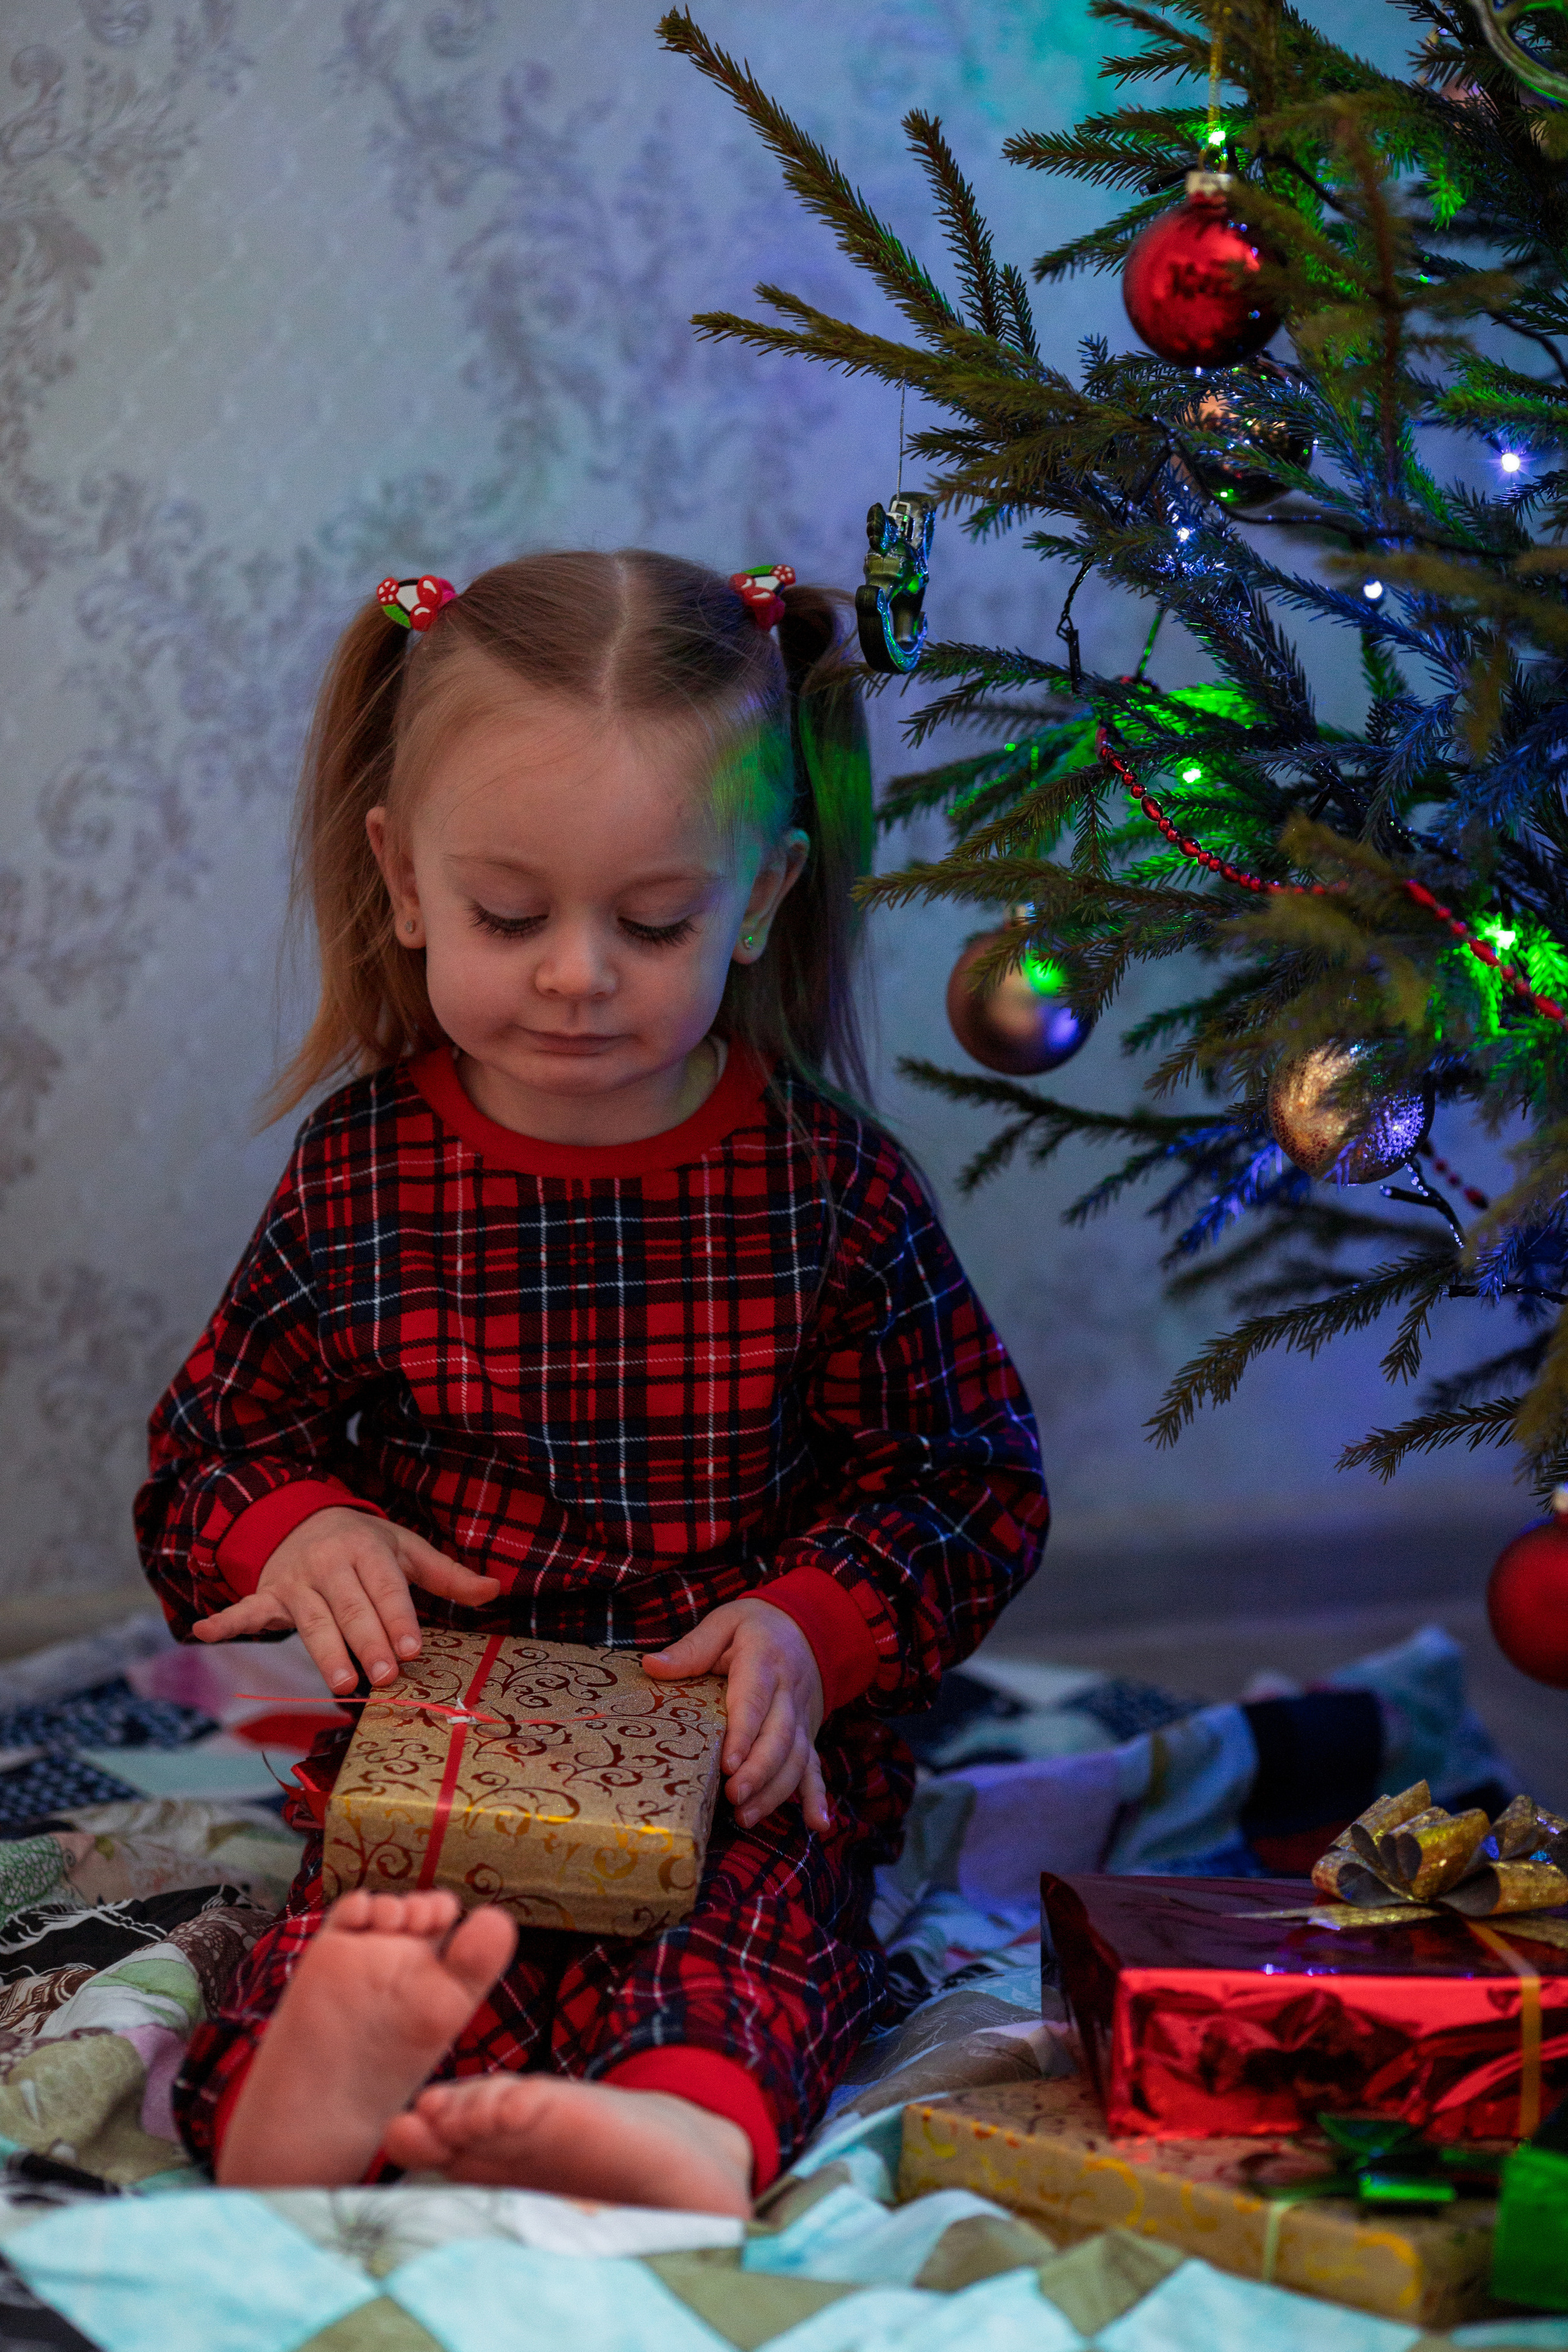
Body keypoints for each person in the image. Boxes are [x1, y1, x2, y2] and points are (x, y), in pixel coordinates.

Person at [137, 549, 1048, 2214]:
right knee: (382, 1929)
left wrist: (810, 1630)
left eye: (651, 922)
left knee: (753, 1930)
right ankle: (308, 2093)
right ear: (403, 883)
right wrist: (300, 1529)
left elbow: (968, 1482)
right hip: (450, 1728)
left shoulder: (827, 1189)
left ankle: (679, 2128)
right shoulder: (362, 1172)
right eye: (508, 914)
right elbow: (213, 1445)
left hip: (726, 1737)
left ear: (763, 895)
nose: (576, 973)